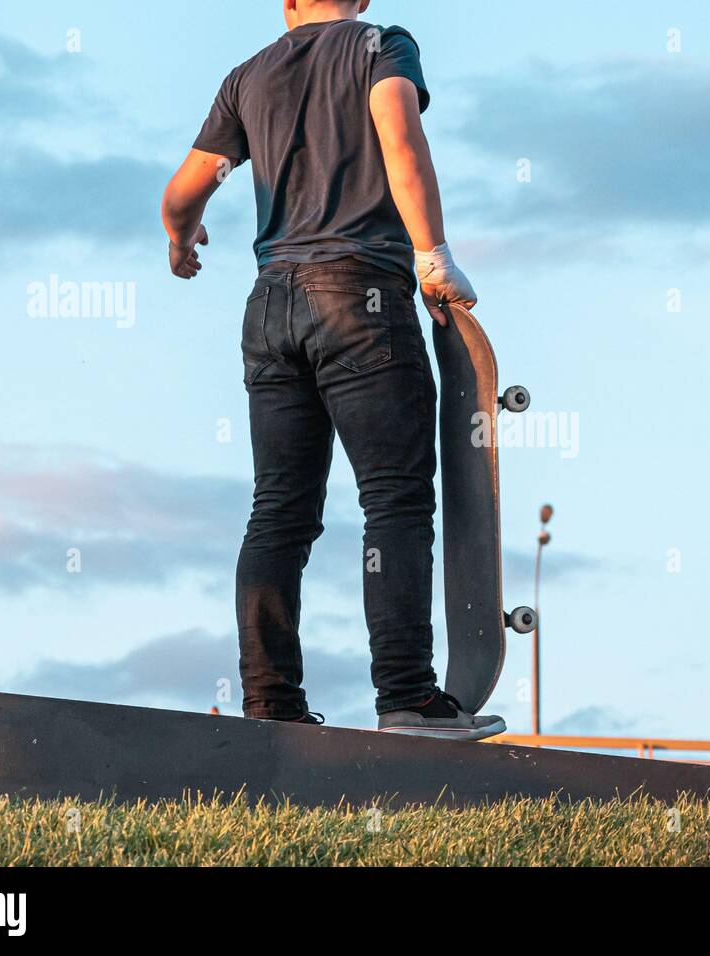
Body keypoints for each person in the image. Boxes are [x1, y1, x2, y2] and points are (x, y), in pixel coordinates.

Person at [160, 0, 505, 740]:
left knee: (279, 510)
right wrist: (434, 256)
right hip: (362, 296)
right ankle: (409, 699)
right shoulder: (381, 44)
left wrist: (181, 243)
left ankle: (269, 706)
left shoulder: (246, 79)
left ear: (284, 2)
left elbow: (184, 192)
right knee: (395, 499)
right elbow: (400, 135)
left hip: (269, 307)